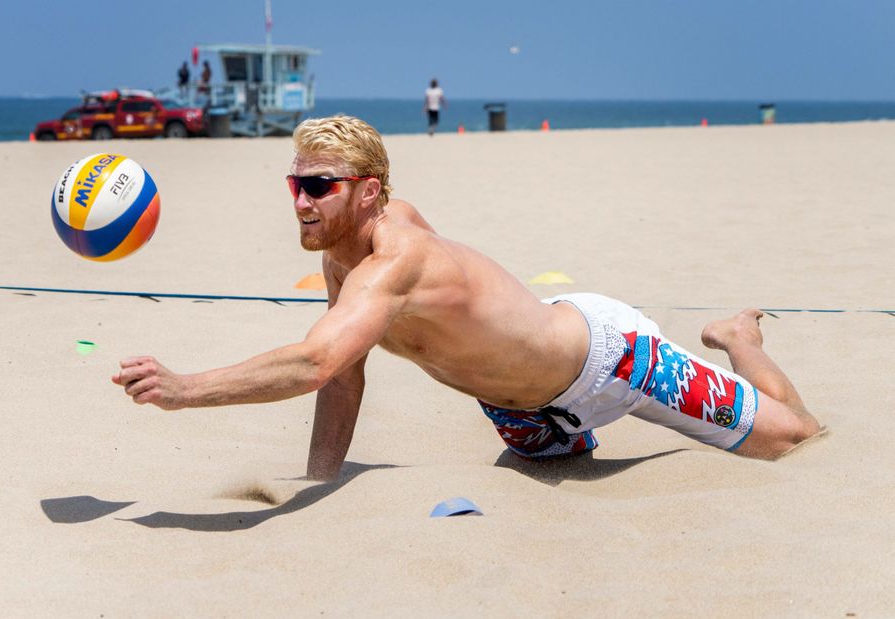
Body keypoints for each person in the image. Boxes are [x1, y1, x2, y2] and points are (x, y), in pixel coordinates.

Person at [112, 115, 822, 482]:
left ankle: (740, 339)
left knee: (792, 438)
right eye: (294, 184)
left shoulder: (398, 259)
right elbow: (346, 375)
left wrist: (185, 388)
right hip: (518, 409)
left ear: (366, 192)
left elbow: (314, 364)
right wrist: (317, 483)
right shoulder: (344, 254)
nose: (300, 200)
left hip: (612, 360)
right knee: (556, 466)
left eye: (318, 185)